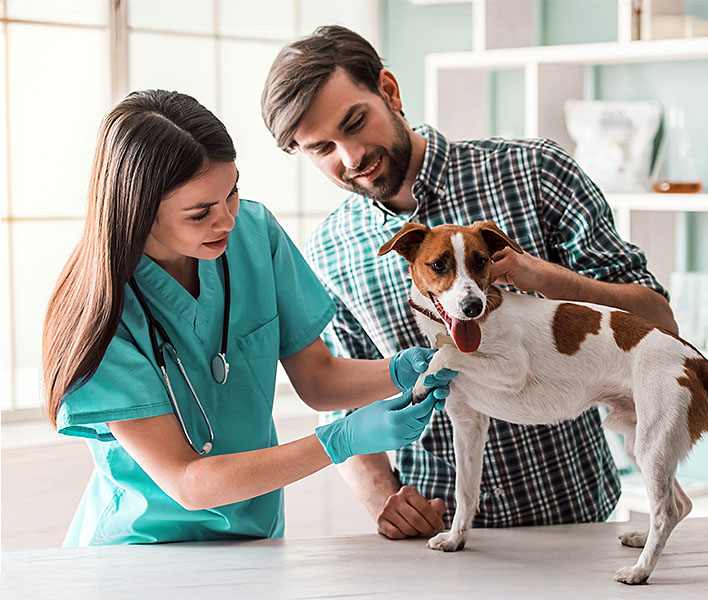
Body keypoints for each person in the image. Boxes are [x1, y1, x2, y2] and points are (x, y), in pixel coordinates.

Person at [261, 25, 679, 540]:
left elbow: (660, 322)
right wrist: (383, 498)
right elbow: (341, 399)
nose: (351, 158)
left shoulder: (534, 172)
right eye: (322, 147)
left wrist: (546, 279)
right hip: (438, 531)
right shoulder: (330, 250)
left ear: (389, 91)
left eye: (355, 122)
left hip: (575, 519)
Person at [41, 89, 457, 546]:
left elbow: (318, 380)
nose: (227, 221)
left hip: (255, 537)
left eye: (232, 192)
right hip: (140, 548)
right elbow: (187, 482)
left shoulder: (256, 236)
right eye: (200, 213)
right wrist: (340, 441)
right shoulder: (99, 308)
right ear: (138, 213)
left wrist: (404, 370)